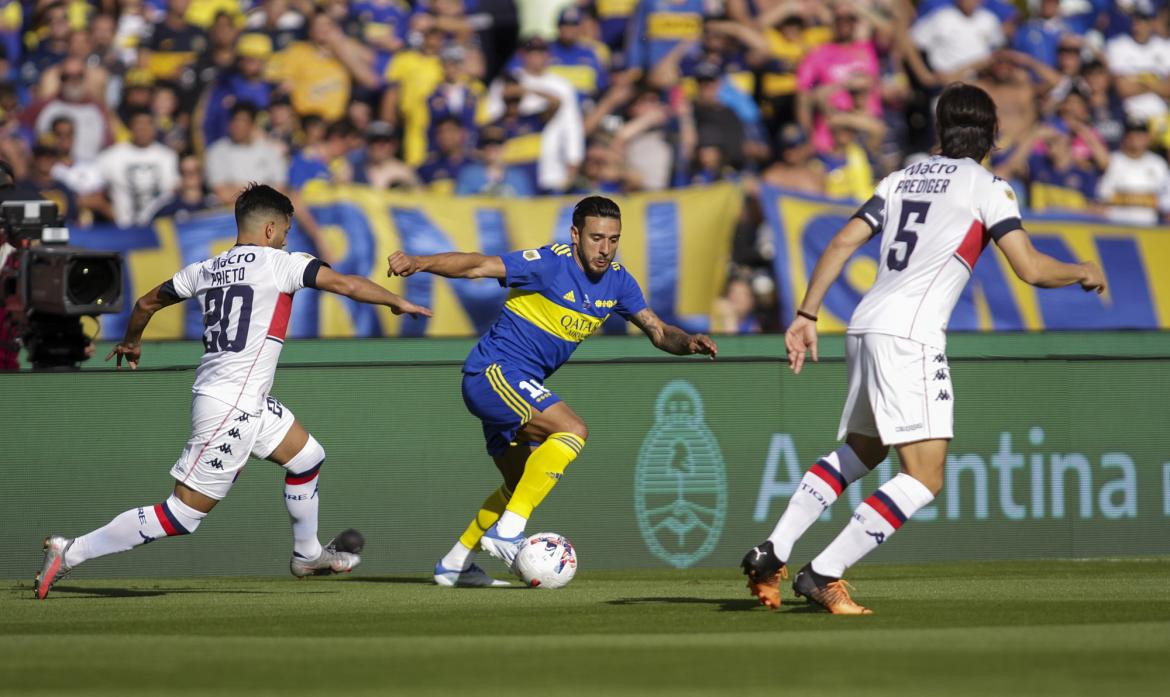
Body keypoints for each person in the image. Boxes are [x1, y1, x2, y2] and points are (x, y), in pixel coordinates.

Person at [740, 83, 1106, 615]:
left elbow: (842, 240)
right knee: (925, 475)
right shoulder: (989, 186)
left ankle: (774, 548)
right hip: (909, 335)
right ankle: (823, 573)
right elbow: (1029, 268)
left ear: (940, 130)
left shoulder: (901, 177)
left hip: (864, 325)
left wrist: (805, 314)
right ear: (993, 136)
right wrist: (1082, 269)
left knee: (865, 451)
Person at [34, 184, 432, 600]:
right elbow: (347, 285)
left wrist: (132, 341)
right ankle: (72, 550)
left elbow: (146, 303)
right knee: (182, 515)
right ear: (271, 229)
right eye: (285, 232)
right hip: (230, 406)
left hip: (241, 399)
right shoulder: (283, 264)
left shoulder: (205, 268)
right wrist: (395, 303)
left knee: (307, 456)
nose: (285, 239)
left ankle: (307, 554)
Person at [386, 195, 718, 587]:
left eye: (613, 239)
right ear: (575, 234)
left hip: (518, 386)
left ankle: (455, 564)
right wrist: (420, 262)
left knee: (520, 484)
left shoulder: (619, 282)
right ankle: (508, 532)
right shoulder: (550, 263)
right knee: (573, 431)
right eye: (596, 238)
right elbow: (478, 264)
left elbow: (659, 331)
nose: (605, 249)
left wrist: (689, 343)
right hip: (492, 373)